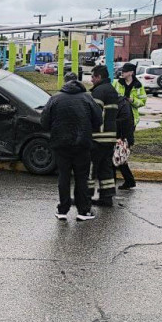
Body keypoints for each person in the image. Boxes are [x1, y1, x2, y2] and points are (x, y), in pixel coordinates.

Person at [40, 72, 102, 221]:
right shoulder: (87, 98)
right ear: (78, 82)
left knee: (64, 176)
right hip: (82, 144)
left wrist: (54, 130)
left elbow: (44, 122)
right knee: (81, 177)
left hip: (60, 144)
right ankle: (83, 211)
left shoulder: (55, 98)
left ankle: (62, 210)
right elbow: (98, 119)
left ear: (65, 82)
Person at [87, 65, 120, 207]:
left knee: (90, 168)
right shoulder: (112, 90)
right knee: (105, 168)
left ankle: (85, 197)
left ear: (99, 77)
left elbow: (94, 114)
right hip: (110, 136)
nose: (91, 79)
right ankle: (107, 197)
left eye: (93, 77)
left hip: (98, 137)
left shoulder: (99, 91)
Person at [114, 62, 146, 189]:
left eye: (125, 71)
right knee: (119, 148)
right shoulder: (117, 83)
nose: (122, 72)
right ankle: (126, 179)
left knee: (121, 148)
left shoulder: (138, 86)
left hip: (130, 120)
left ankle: (127, 179)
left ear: (131, 72)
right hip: (118, 117)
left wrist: (133, 101)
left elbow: (143, 101)